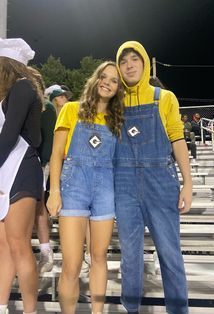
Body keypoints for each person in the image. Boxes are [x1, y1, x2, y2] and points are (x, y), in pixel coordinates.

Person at [114, 41, 192, 314]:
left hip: (161, 181)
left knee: (170, 254)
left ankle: (179, 310)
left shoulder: (164, 97)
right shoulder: (114, 102)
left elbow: (177, 138)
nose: (130, 65)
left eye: (135, 59)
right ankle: (131, 308)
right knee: (130, 256)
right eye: (124, 62)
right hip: (123, 184)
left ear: (145, 63)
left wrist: (188, 184)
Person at [46, 61, 124, 314]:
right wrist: (54, 191)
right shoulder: (70, 109)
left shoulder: (117, 120)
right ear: (95, 79)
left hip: (105, 190)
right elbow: (57, 154)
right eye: (104, 77)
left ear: (118, 89)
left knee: (100, 258)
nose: (107, 83)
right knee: (71, 264)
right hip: (73, 187)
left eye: (114, 80)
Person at [0, 38, 43, 314]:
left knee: (19, 245)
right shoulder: (9, 92)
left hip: (21, 168)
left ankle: (30, 311)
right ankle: (1, 306)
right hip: (5, 168)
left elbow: (10, 134)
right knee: (4, 245)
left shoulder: (23, 87)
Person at [27, 69, 57, 273]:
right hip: (24, 162)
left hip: (37, 163)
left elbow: (48, 141)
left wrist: (42, 162)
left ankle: (46, 251)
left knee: (37, 207)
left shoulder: (45, 106)